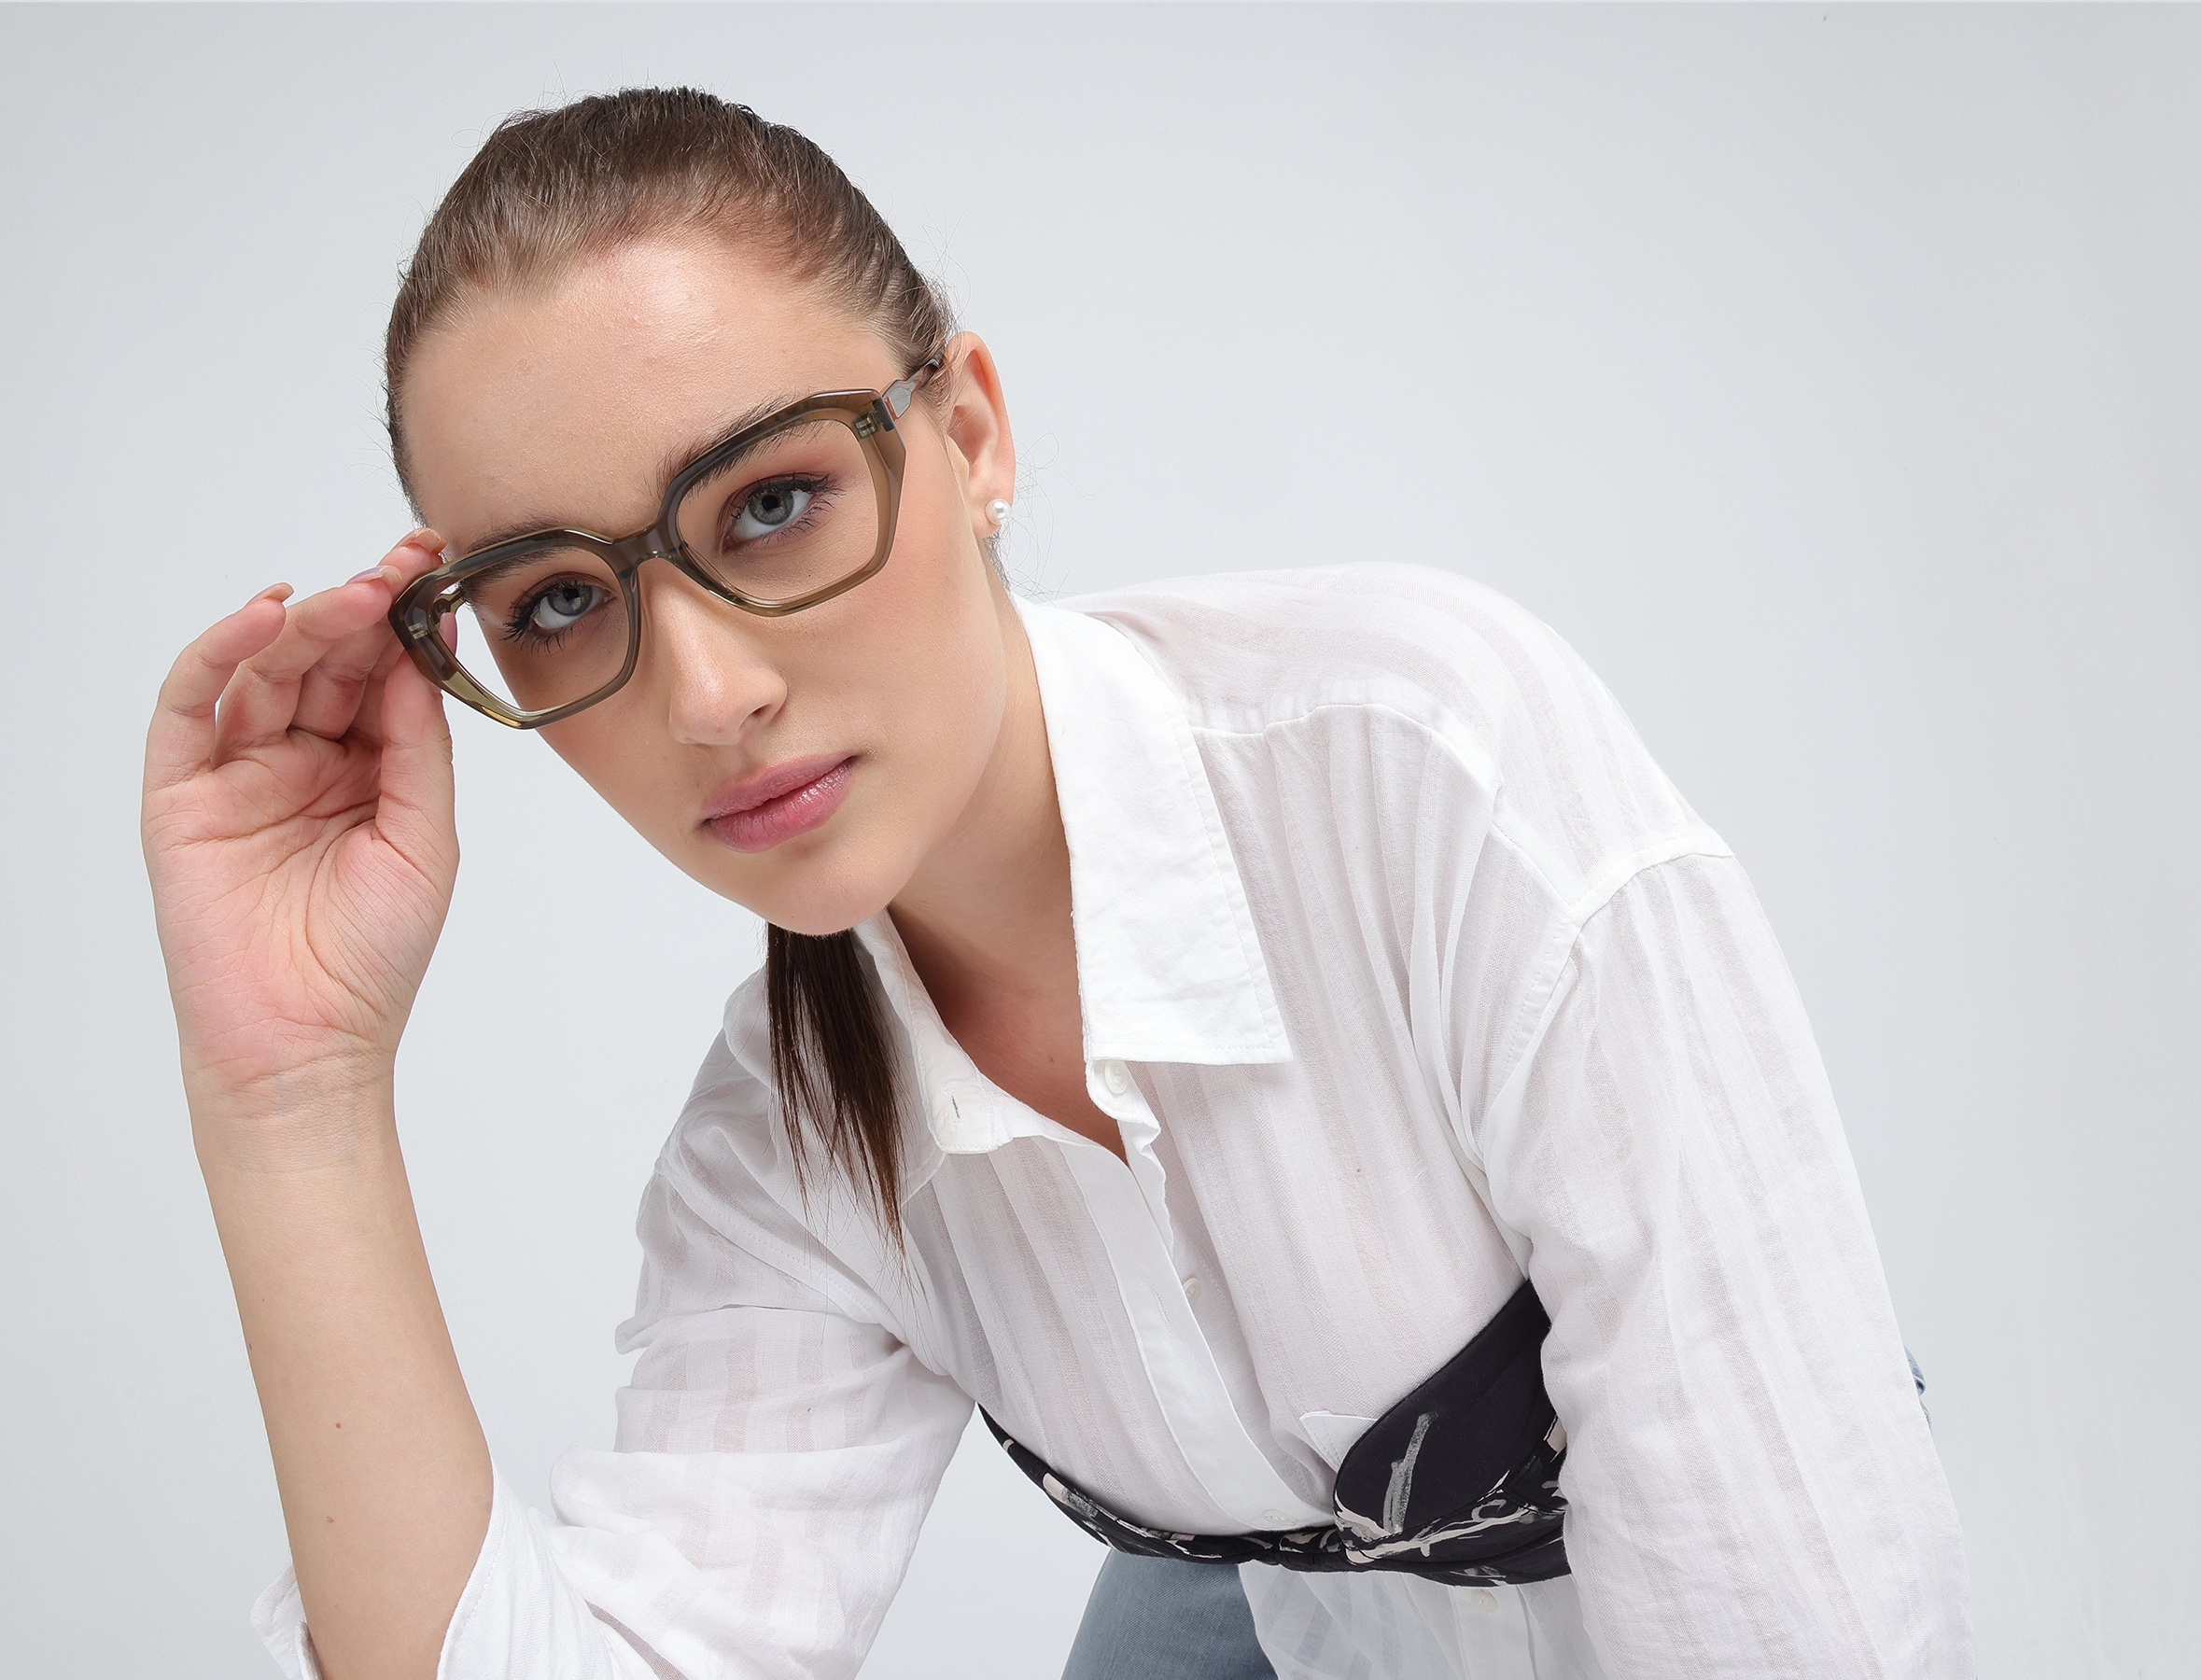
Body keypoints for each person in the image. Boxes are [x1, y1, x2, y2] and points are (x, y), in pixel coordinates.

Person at [141, 89, 1970, 1680]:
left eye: (772, 500)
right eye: (557, 602)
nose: (709, 695)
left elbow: (1790, 1623)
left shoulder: (1421, 771)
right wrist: (290, 1095)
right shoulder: (789, 1153)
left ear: (971, 435)